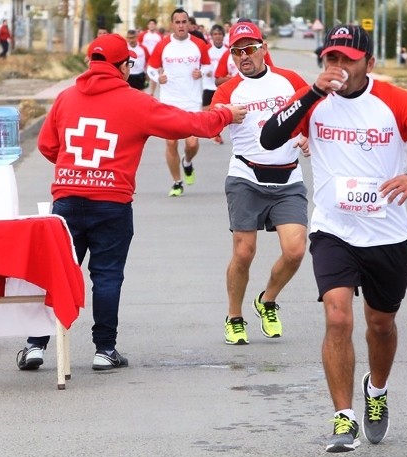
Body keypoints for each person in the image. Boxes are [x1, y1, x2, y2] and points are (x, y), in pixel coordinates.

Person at [260, 25, 407, 452]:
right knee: (337, 317)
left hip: (387, 234)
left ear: (368, 63)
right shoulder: (313, 103)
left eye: (347, 59)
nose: (338, 67)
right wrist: (311, 95)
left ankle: (377, 391)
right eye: (331, 58)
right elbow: (270, 137)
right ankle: (343, 418)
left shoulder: (393, 102)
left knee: (380, 325)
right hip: (333, 230)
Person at [15, 33, 246, 371]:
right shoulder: (135, 102)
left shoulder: (65, 99)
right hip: (112, 203)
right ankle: (104, 350)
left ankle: (35, 346)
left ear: (90, 63)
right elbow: (185, 124)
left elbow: (50, 147)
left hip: (66, 200)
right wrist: (223, 115)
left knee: (57, 273)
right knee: (107, 277)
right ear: (124, 66)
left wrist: (77, 170)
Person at [211, 22, 309, 345]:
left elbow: (313, 114)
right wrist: (222, 117)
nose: (244, 56)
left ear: (264, 48)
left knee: (295, 251)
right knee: (244, 252)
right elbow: (211, 122)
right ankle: (234, 316)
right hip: (246, 177)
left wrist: (307, 136)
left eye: (250, 49)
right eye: (237, 52)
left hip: (287, 177)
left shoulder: (289, 81)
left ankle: (267, 300)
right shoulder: (227, 91)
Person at [147, 8, 211, 197]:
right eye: (178, 22)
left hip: (192, 101)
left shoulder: (199, 44)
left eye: (184, 22)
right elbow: (150, 69)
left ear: (189, 24)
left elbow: (208, 66)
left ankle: (188, 162)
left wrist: (202, 72)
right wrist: (159, 79)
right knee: (171, 143)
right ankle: (177, 182)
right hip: (169, 101)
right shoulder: (163, 45)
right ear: (172, 25)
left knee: (191, 144)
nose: (181, 25)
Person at [203, 24, 227, 144]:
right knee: (206, 110)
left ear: (223, 36)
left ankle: (217, 134)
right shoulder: (206, 50)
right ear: (211, 36)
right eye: (215, 34)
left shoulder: (228, 50)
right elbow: (200, 66)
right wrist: (204, 72)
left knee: (218, 109)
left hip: (221, 85)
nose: (217, 37)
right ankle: (210, 130)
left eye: (220, 34)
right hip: (207, 85)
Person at [138, 19, 162, 96]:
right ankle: (143, 90)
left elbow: (162, 47)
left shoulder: (159, 36)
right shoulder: (143, 34)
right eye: (150, 24)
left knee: (153, 75)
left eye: (153, 24)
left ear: (155, 25)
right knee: (145, 75)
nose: (152, 25)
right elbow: (139, 44)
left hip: (155, 58)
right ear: (148, 26)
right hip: (145, 58)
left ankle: (152, 92)